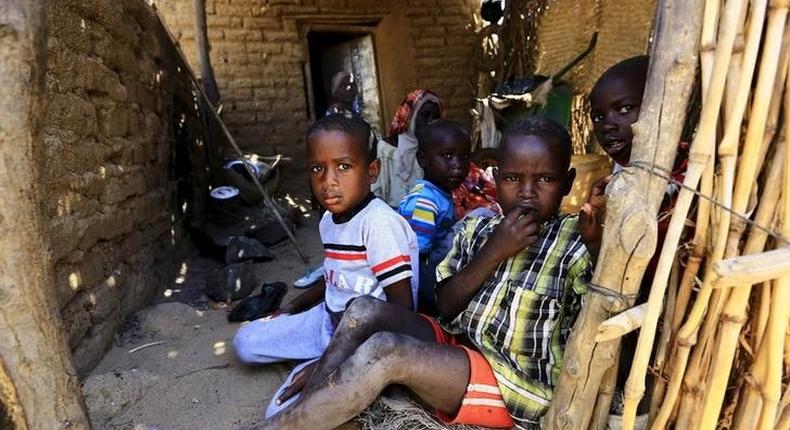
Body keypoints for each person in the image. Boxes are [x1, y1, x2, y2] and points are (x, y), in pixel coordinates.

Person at [257, 116, 601, 430]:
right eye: (512, 178)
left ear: (568, 182)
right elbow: (446, 306)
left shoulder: (576, 239)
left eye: (545, 179)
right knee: (361, 310)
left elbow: (600, 315)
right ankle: (315, 394)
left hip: (509, 381)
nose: (527, 192)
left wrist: (595, 246)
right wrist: (494, 250)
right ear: (495, 179)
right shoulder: (478, 231)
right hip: (457, 346)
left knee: (386, 351)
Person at [232, 113, 420, 417]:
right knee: (244, 341)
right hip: (326, 322)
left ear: (372, 171)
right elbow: (335, 278)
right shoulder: (330, 220)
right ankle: (312, 357)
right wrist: (291, 309)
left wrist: (330, 362)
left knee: (278, 412)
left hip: (365, 340)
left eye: (343, 167)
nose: (328, 181)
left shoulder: (379, 225)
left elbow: (402, 312)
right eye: (317, 168)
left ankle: (316, 363)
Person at [588, 55, 690, 417]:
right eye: (599, 116)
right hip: (631, 311)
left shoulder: (690, 176)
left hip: (679, 311)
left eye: (625, 109)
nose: (608, 126)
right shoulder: (614, 185)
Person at [398, 119, 471, 314]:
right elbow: (417, 254)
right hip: (422, 280)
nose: (458, 165)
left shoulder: (439, 193)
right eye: (447, 156)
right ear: (422, 159)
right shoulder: (425, 201)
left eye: (464, 156)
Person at [372, 89, 443, 207]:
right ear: (410, 117)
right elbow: (375, 196)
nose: (431, 122)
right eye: (425, 116)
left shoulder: (432, 151)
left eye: (435, 117)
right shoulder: (385, 150)